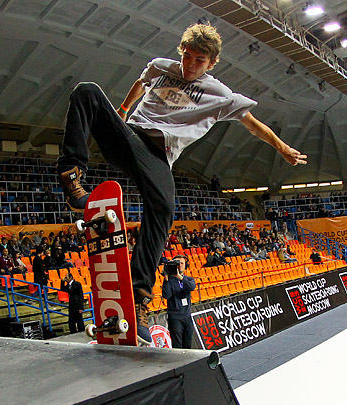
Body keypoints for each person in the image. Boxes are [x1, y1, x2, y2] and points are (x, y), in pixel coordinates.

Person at [55, 22, 306, 345]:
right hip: (129, 138)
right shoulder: (161, 67)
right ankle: (71, 177)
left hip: (158, 155)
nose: (190, 65)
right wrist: (122, 109)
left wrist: (282, 148)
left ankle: (139, 299)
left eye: (199, 60)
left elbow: (252, 125)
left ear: (212, 62)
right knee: (87, 91)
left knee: (163, 208)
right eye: (187, 57)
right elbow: (141, 81)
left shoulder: (220, 93)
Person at [161, 255, 195, 349]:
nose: (180, 265)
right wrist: (166, 279)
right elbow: (166, 295)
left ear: (185, 265)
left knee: (188, 344)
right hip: (175, 318)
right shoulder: (170, 281)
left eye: (182, 263)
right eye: (177, 263)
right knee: (177, 346)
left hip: (187, 316)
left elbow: (191, 287)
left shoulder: (188, 279)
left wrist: (179, 277)